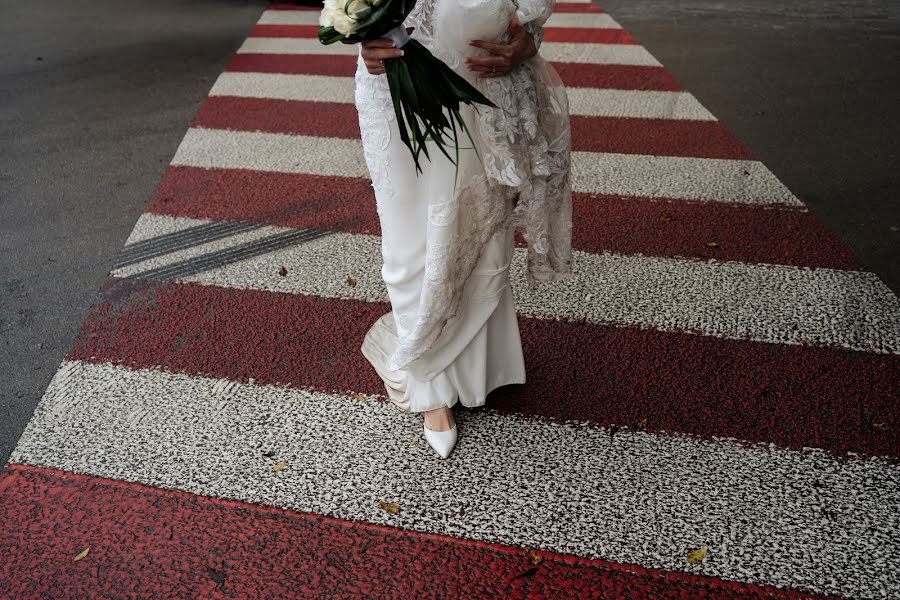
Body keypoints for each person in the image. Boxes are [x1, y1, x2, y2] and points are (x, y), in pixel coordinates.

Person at [354, 0, 572, 458]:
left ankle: (479, 368)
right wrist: (364, 43)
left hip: (485, 91)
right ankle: (431, 385)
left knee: (482, 232)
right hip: (395, 90)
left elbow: (528, 18)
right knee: (410, 238)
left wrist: (526, 44)